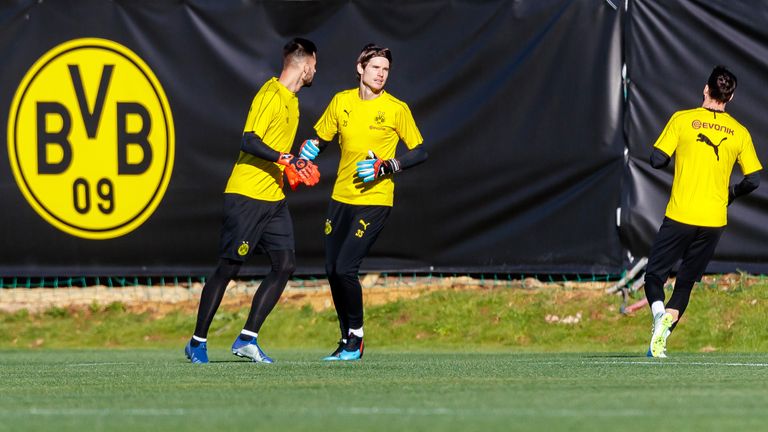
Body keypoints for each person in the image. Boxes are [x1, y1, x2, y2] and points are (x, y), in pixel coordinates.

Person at [184, 38, 320, 364]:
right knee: (229, 268)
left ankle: (248, 338)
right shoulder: (270, 94)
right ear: (304, 65)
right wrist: (286, 158)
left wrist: (290, 166)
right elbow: (249, 140)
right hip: (246, 195)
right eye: (315, 64)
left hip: (273, 198)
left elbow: (277, 152)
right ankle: (197, 341)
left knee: (285, 264)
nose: (316, 70)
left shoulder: (293, 101)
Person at [299, 43, 428, 361]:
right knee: (331, 269)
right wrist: (307, 151)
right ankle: (346, 340)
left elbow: (420, 150)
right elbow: (320, 138)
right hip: (340, 197)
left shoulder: (396, 108)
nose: (381, 74)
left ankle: (356, 339)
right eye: (375, 68)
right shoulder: (341, 102)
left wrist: (388, 165)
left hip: (375, 199)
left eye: (385, 69)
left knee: (345, 267)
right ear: (360, 68)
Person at [644, 65, 762, 358]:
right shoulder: (739, 132)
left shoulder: (683, 120)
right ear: (731, 97)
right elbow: (754, 179)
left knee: (653, 277)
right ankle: (662, 337)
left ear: (705, 89)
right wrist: (730, 194)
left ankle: (659, 316)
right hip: (713, 219)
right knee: (684, 284)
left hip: (682, 214)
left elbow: (657, 160)